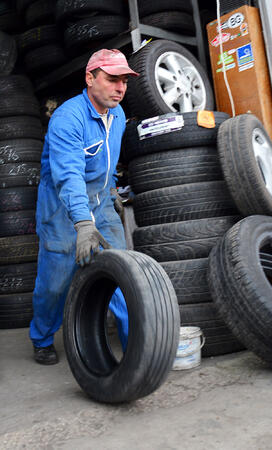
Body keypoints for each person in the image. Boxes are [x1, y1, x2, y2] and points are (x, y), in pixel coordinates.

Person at [30, 49, 139, 365]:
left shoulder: (117, 115)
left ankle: (138, 346)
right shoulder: (68, 118)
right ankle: (42, 337)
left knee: (124, 273)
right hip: (62, 208)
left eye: (124, 81)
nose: (120, 88)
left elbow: (106, 162)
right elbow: (69, 177)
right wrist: (82, 224)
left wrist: (111, 190)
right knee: (55, 282)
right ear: (90, 78)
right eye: (112, 79)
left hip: (101, 201)